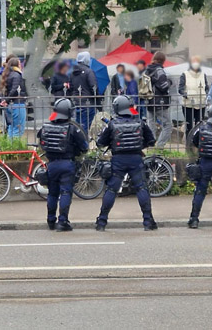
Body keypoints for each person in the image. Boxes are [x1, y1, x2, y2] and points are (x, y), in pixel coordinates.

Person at [95, 95, 158, 231]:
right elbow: (151, 140)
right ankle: (148, 221)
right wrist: (140, 145)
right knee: (141, 188)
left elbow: (100, 143)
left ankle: (102, 221)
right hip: (136, 158)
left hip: (118, 160)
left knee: (111, 190)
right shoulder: (140, 123)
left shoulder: (112, 124)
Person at [38, 98, 89, 231]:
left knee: (52, 194)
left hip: (52, 165)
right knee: (66, 192)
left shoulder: (45, 127)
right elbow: (84, 147)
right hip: (67, 164)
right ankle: (63, 222)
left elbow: (41, 144)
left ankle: (50, 220)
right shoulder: (72, 129)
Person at [144, 52, 173, 148]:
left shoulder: (147, 70)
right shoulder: (159, 71)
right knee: (168, 125)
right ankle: (160, 146)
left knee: (151, 124)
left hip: (149, 101)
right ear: (163, 60)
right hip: (159, 102)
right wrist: (169, 82)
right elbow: (163, 86)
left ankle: (150, 145)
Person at [179, 56, 209, 137]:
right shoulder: (185, 74)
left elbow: (206, 87)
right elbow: (180, 89)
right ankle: (189, 144)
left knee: (199, 125)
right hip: (188, 104)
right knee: (189, 126)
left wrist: (205, 94)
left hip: (201, 103)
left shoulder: (203, 75)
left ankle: (198, 142)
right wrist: (186, 95)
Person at [70, 52, 98, 134]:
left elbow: (71, 87)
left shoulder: (72, 73)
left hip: (76, 102)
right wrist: (97, 97)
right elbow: (94, 87)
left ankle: (79, 142)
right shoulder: (89, 72)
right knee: (86, 125)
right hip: (87, 103)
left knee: (78, 125)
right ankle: (85, 143)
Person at [0, 57, 27, 138]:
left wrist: (4, 101)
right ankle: (15, 149)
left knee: (11, 128)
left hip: (10, 105)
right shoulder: (17, 75)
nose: (21, 65)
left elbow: (3, 90)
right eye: (19, 64)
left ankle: (8, 148)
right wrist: (6, 100)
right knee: (18, 129)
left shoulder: (7, 75)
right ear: (17, 65)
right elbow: (15, 89)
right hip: (18, 104)